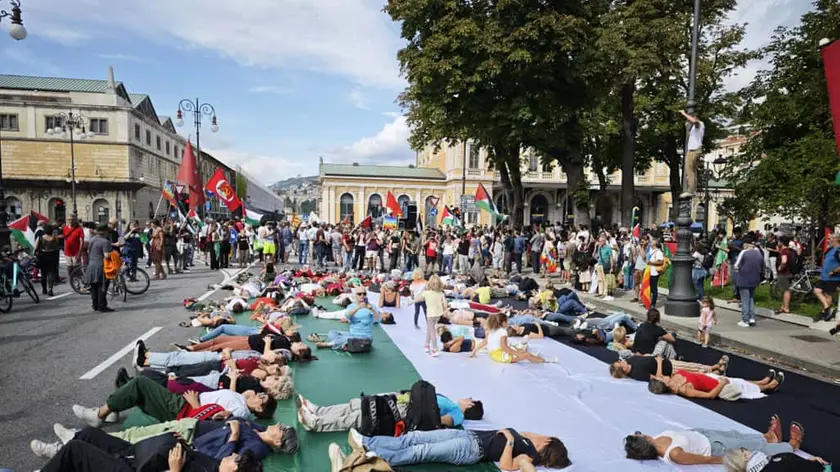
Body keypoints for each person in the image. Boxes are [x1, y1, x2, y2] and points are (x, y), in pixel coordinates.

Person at [71, 375, 277, 428]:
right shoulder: (241, 402)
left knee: (142, 383)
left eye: (262, 397)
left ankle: (99, 414)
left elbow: (212, 423)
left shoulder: (241, 412)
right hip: (186, 403)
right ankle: (110, 410)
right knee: (145, 387)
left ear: (259, 408)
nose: (259, 394)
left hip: (184, 409)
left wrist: (195, 405)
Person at [31, 427, 262, 472]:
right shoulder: (214, 463)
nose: (234, 454)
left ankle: (60, 461)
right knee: (89, 434)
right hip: (138, 455)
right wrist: (182, 445)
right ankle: (58, 459)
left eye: (237, 458)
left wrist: (174, 470)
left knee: (77, 450)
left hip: (133, 469)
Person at [343, 427, 571, 470]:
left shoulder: (528, 456)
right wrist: (535, 437)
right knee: (415, 437)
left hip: (471, 449)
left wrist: (510, 440)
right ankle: (370, 442)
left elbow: (506, 466)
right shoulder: (529, 441)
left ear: (548, 444)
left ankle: (379, 456)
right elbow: (529, 433)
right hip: (467, 435)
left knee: (423, 451)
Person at [624, 418, 803, 466]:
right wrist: (733, 459)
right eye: (638, 434)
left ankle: (770, 437)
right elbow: (706, 459)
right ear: (643, 441)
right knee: (756, 449)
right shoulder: (674, 453)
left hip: (704, 434)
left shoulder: (657, 437)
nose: (641, 433)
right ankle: (790, 446)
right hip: (716, 447)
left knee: (738, 435)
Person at [296, 392, 482, 432]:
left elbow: (439, 421)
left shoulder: (458, 414)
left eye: (470, 399)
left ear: (470, 405)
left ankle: (317, 423)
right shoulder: (451, 402)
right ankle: (318, 411)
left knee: (361, 416)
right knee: (359, 405)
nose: (466, 398)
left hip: (404, 410)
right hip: (402, 400)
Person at [648, 368, 784, 400]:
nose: (661, 375)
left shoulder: (673, 377)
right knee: (743, 386)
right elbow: (709, 396)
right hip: (717, 385)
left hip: (711, 377)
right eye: (661, 378)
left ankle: (762, 382)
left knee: (739, 380)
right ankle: (769, 386)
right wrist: (722, 384)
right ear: (665, 384)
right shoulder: (685, 389)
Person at [309, 287, 378, 351]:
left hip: (364, 338)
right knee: (332, 333)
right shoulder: (351, 306)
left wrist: (372, 309)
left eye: (364, 294)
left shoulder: (371, 306)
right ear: (355, 295)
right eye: (359, 294)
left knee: (347, 339)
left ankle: (328, 344)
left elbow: (378, 319)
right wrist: (358, 307)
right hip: (352, 334)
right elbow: (348, 315)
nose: (362, 295)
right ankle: (344, 344)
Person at [470, 313, 552, 364]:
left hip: (493, 354)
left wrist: (474, 351)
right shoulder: (503, 332)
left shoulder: (493, 330)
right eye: (507, 321)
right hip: (499, 355)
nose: (508, 323)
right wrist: (516, 353)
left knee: (522, 351)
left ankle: (540, 359)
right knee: (525, 354)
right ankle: (544, 361)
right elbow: (504, 347)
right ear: (503, 323)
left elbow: (484, 342)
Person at [609, 355, 729, 381]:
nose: (621, 361)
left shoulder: (630, 360)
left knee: (694, 366)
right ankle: (717, 371)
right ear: (623, 370)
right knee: (694, 371)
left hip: (668, 362)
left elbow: (642, 358)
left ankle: (716, 368)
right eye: (620, 364)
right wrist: (659, 362)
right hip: (670, 369)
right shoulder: (637, 373)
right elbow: (657, 377)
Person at [723, 446, 830, 472]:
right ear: (745, 456)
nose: (748, 449)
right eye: (743, 449)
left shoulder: (777, 459)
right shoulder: (780, 458)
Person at [734, 236, 765, 327]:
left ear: (745, 244)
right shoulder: (758, 253)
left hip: (744, 278)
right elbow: (763, 266)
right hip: (755, 279)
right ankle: (752, 318)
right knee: (751, 298)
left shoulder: (744, 252)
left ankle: (745, 320)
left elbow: (736, 265)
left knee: (744, 299)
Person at [85, 225, 114, 313]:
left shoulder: (93, 239)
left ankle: (95, 305)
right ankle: (102, 306)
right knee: (102, 286)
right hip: (101, 266)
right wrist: (114, 254)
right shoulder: (105, 242)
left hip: (91, 265)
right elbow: (106, 255)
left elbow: (88, 251)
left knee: (94, 287)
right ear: (105, 232)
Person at [815, 232, 840, 321]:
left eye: (830, 239)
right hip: (824, 276)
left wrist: (834, 271)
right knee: (817, 290)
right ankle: (827, 309)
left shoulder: (838, 250)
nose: (828, 240)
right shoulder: (830, 249)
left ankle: (825, 313)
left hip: (833, 277)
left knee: (828, 294)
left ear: (836, 239)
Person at [420, 275, 447, 356]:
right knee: (430, 329)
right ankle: (427, 344)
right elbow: (445, 305)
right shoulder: (441, 293)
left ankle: (435, 349)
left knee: (432, 332)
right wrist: (444, 309)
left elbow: (418, 299)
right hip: (438, 314)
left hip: (430, 315)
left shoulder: (426, 293)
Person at [34, 223, 61, 296]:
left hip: (43, 256)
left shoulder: (40, 238)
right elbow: (57, 247)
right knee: (51, 273)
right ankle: (50, 288)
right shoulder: (55, 238)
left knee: (43, 274)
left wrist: (35, 254)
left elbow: (35, 248)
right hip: (52, 256)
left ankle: (44, 289)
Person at [62, 216, 85, 281]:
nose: (70, 221)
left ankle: (78, 280)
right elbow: (65, 239)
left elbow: (82, 241)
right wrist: (65, 249)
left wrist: (79, 253)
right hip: (67, 251)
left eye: (72, 220)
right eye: (69, 220)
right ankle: (72, 279)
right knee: (69, 266)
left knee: (77, 267)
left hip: (76, 252)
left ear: (75, 220)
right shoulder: (65, 228)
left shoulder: (79, 229)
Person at [647, 239, 666, 308]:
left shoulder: (658, 252)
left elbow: (660, 262)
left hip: (654, 272)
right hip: (649, 272)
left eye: (651, 242)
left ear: (655, 244)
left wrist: (651, 262)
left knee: (654, 288)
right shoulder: (651, 250)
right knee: (649, 287)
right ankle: (648, 301)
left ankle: (653, 304)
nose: (650, 243)